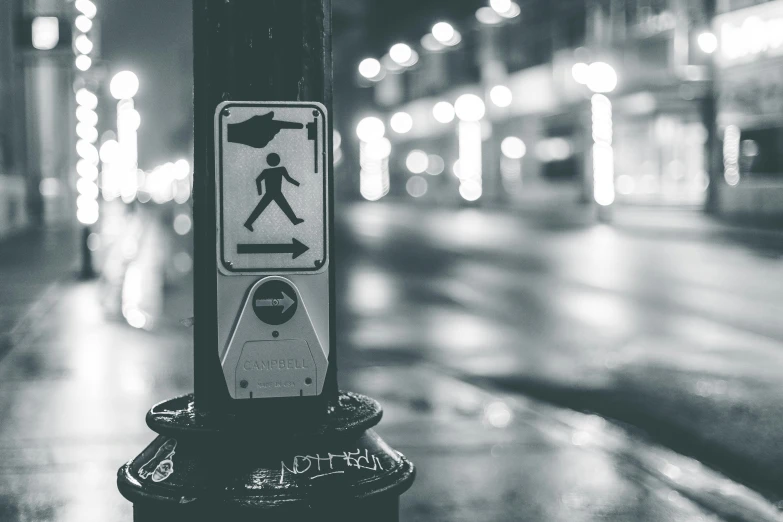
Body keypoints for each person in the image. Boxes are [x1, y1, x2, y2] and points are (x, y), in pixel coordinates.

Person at [244, 153, 304, 231]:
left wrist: (260, 191)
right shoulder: (280, 169)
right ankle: (294, 220)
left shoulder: (268, 171)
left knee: (263, 208)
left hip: (272, 193)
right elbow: (289, 179)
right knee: (263, 208)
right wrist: (299, 184)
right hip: (274, 193)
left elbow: (258, 180)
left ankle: (294, 220)